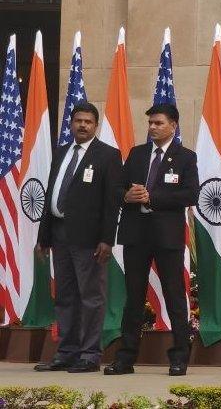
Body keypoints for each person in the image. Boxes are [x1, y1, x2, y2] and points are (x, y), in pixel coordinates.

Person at [104, 104, 199, 377]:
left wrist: (153, 198)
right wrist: (127, 196)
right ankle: (125, 358)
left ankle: (179, 357)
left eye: (158, 123)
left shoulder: (185, 157)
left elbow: (191, 194)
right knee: (133, 297)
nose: (153, 128)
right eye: (151, 123)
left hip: (166, 236)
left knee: (173, 295)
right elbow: (117, 187)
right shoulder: (137, 153)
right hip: (136, 234)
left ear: (173, 126)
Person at [33, 102, 123, 373]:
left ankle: (90, 355)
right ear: (70, 124)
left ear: (96, 126)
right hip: (60, 235)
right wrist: (43, 237)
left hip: (90, 240)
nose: (82, 125)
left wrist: (107, 239)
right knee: (65, 296)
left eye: (88, 122)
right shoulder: (61, 152)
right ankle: (66, 352)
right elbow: (52, 195)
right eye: (78, 121)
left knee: (91, 297)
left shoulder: (108, 155)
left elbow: (112, 202)